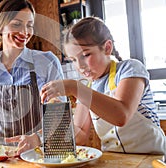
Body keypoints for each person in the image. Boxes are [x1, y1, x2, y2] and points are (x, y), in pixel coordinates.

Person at [41, 17, 166, 154]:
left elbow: (121, 115)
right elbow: (80, 135)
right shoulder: (87, 88)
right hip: (116, 162)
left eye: (85, 55)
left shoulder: (130, 69)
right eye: (73, 60)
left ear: (107, 48)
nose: (80, 66)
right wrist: (60, 118)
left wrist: (75, 88)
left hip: (152, 159)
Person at [0, 0, 65, 156]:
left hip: (39, 155)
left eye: (30, 25)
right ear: (0, 26)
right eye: (17, 24)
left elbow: (59, 114)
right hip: (1, 157)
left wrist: (38, 137)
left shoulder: (47, 62)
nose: (25, 32)